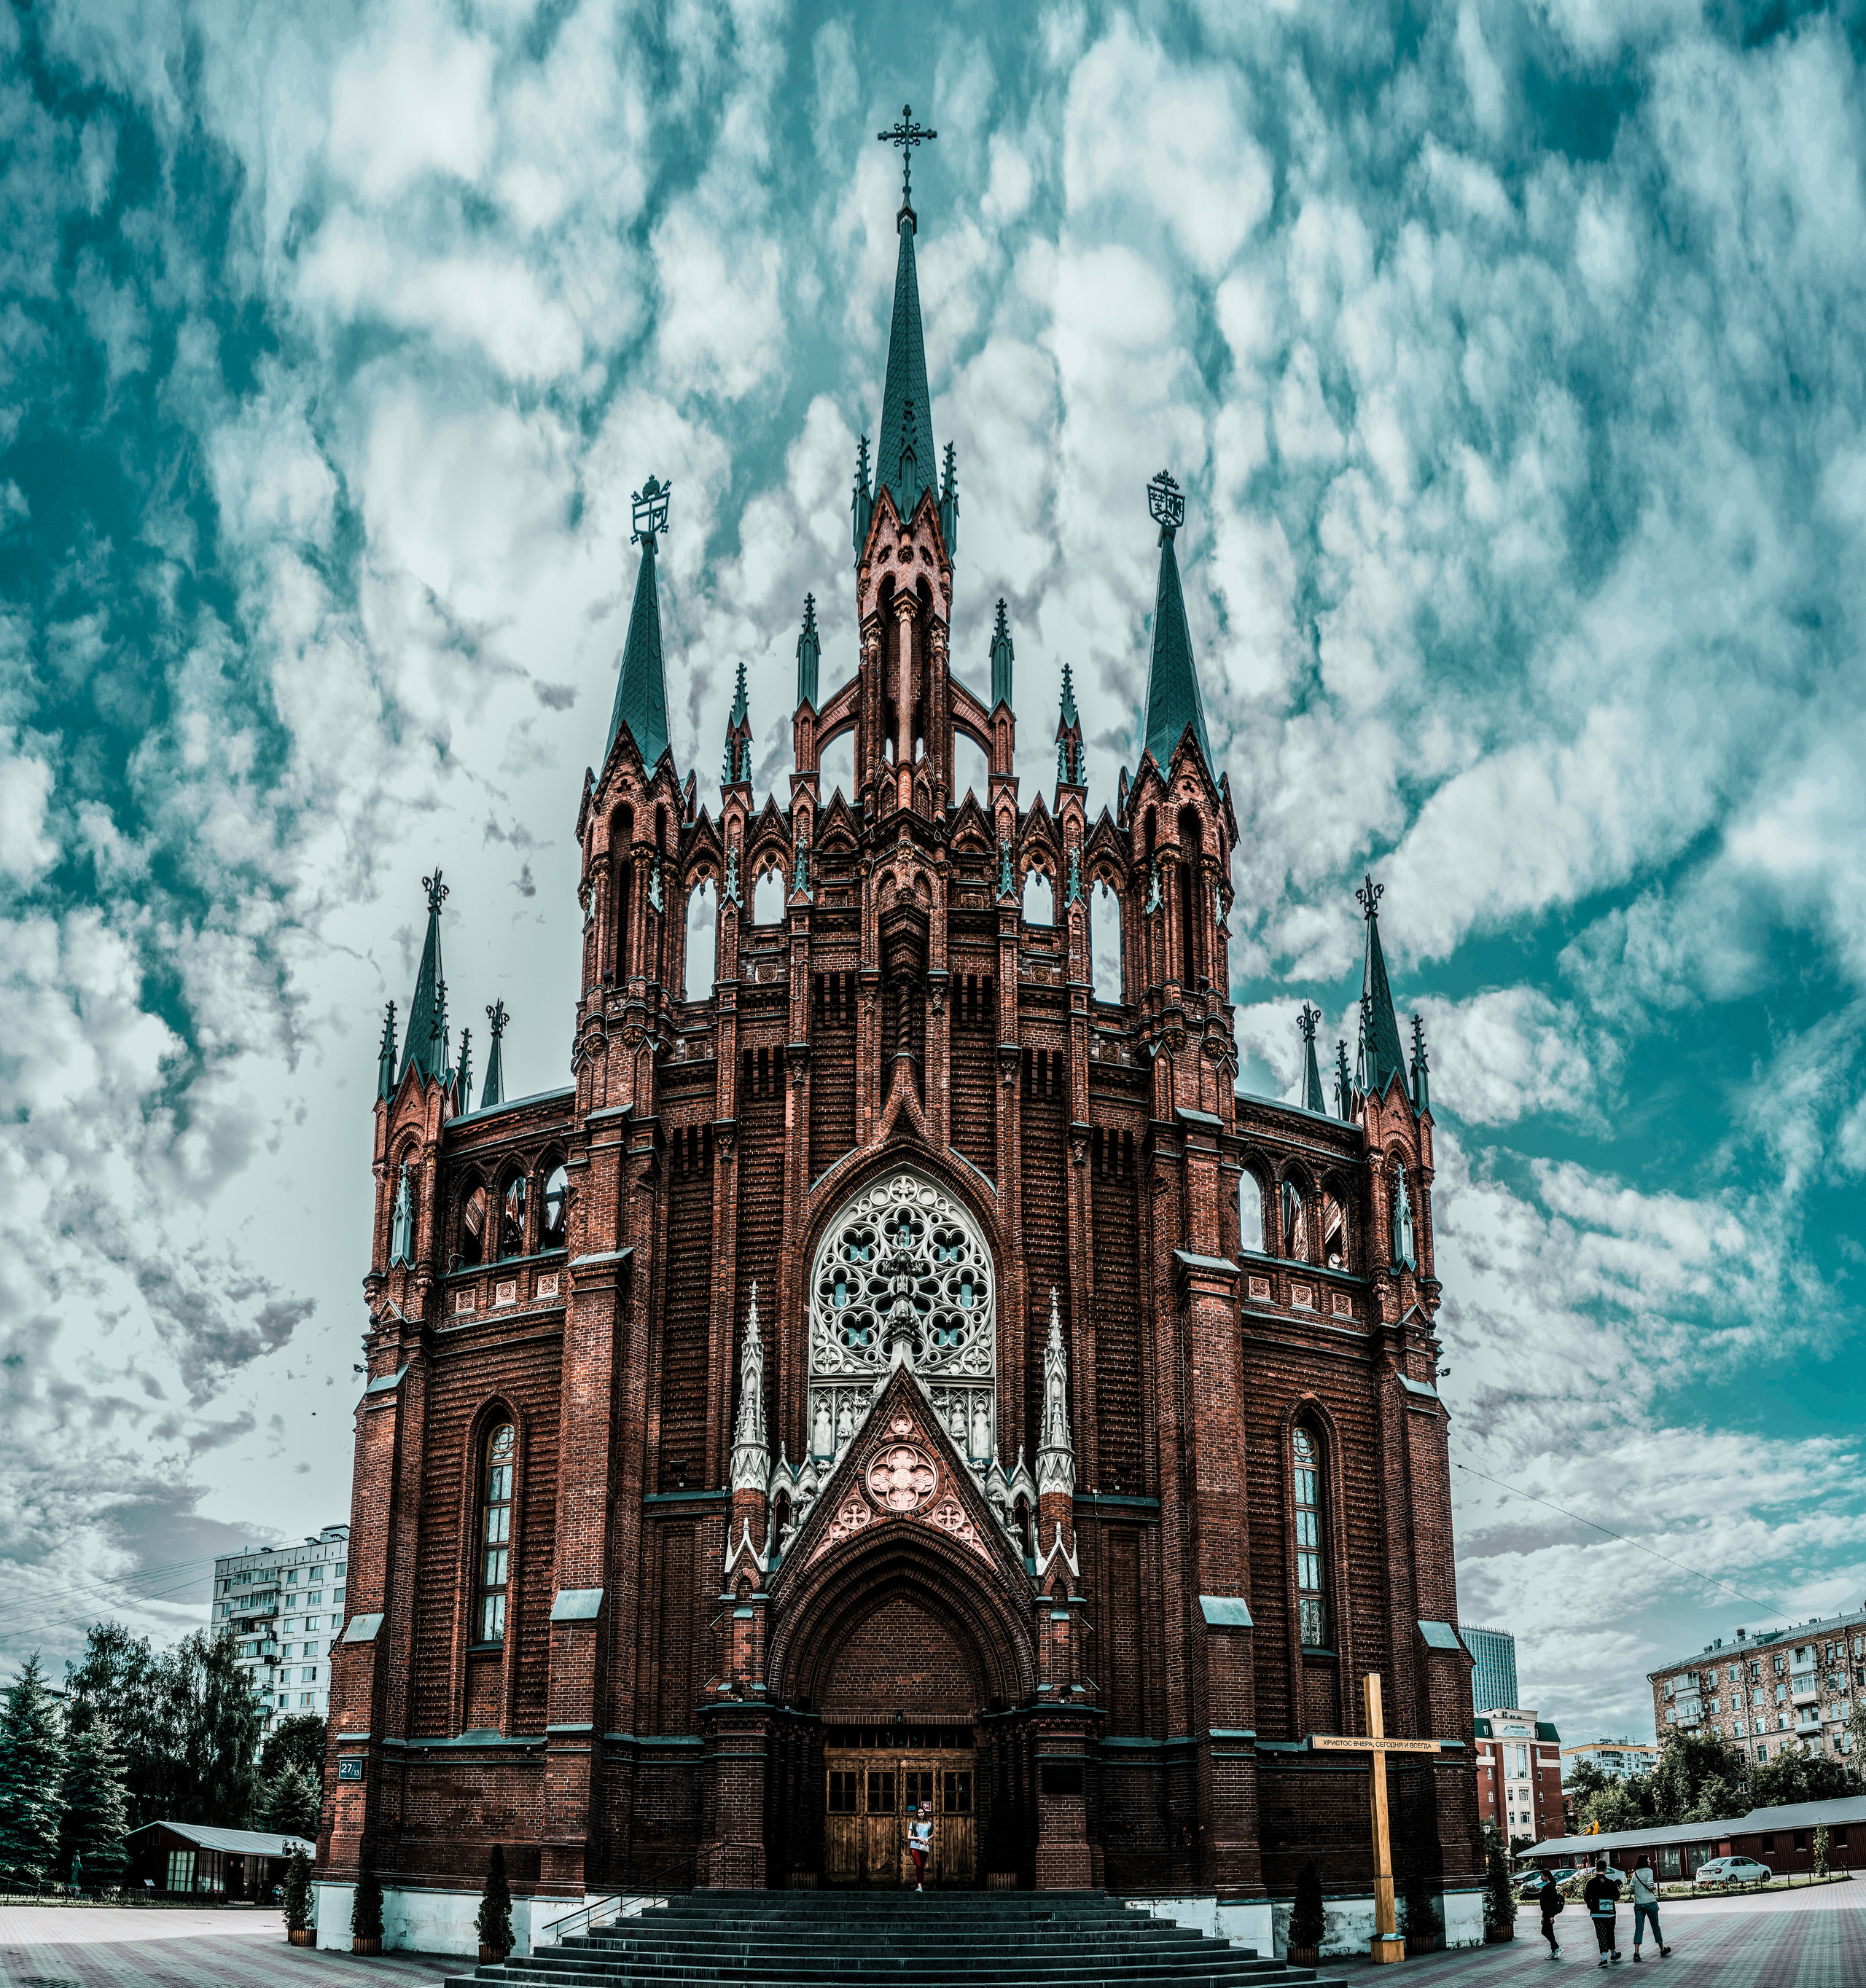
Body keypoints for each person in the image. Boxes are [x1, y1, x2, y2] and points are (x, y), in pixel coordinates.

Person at [1628, 1855, 1670, 1962]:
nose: (1650, 1861)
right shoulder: (1649, 1871)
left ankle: (1636, 1952)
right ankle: (1662, 1949)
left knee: (1639, 1928)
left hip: (1638, 1904)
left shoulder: (1635, 1873)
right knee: (1655, 1926)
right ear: (1645, 1861)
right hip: (1650, 1903)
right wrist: (1653, 1887)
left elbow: (1631, 1889)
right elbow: (1650, 1885)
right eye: (1648, 1859)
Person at [1583, 1863, 1623, 1968]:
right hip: (1610, 1913)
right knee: (1610, 1933)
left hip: (1597, 1913)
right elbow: (1617, 1897)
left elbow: (1587, 1898)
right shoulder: (1611, 1883)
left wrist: (1591, 1908)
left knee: (1601, 1935)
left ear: (1596, 1869)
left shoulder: (1591, 1883)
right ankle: (1614, 1954)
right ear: (1605, 1869)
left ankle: (1604, 1958)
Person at [1535, 1867, 1564, 1957]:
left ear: (1547, 1877)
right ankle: (1554, 1951)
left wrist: (1551, 1916)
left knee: (1544, 1931)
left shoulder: (1551, 1887)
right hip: (1546, 1912)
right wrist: (1543, 1916)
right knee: (1550, 1932)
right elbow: (1546, 1903)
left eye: (1542, 1876)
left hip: (1549, 1912)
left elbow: (1552, 1902)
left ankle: (1557, 1947)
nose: (1541, 1878)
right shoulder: (1549, 1886)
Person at [907, 1801, 934, 1892]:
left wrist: (928, 1838)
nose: (921, 1814)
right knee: (918, 1865)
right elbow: (909, 1836)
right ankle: (919, 1886)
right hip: (915, 1847)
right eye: (919, 1813)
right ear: (917, 1814)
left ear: (924, 1813)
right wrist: (918, 1838)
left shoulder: (929, 1824)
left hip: (924, 1847)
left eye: (922, 1812)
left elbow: (933, 1834)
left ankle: (920, 1886)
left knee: (921, 1867)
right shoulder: (913, 1823)